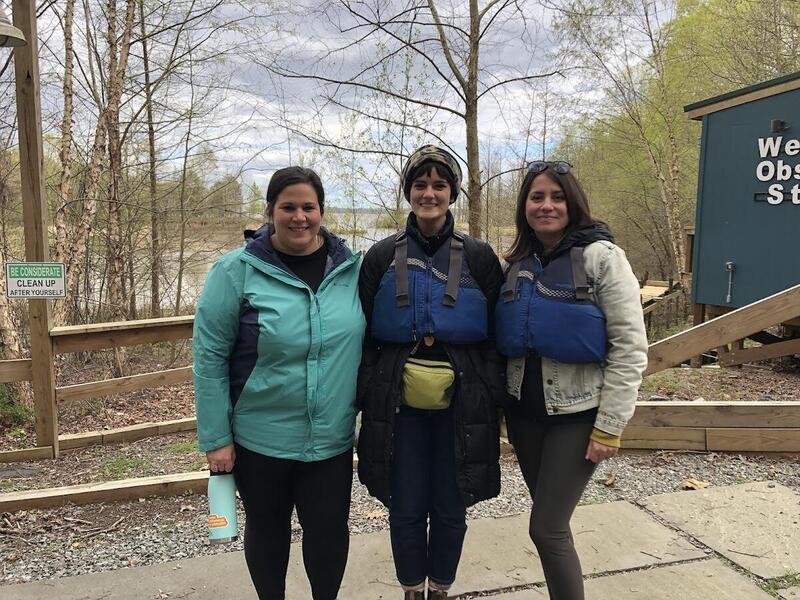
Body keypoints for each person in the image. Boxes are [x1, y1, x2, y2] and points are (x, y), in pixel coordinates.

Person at [192, 166, 365, 600]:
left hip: (331, 438)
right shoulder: (235, 271)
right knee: (267, 531)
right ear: (270, 211)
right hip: (260, 439)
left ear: (322, 211)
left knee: (328, 534)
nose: (299, 217)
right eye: (288, 207)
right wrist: (216, 438)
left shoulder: (351, 271)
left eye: (309, 207)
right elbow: (209, 357)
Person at [357, 145, 507, 600]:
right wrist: (366, 393)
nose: (429, 193)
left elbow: (497, 336)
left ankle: (440, 586)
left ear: (452, 192)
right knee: (404, 506)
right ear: (408, 192)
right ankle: (410, 588)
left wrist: (492, 394)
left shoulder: (480, 258)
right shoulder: (381, 257)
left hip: (460, 405)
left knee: (450, 503)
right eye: (420, 185)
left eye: (439, 185)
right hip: (397, 404)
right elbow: (362, 334)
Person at [495, 160, 648, 600]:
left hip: (577, 416)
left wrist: (611, 426)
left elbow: (630, 348)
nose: (546, 205)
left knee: (546, 528)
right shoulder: (518, 263)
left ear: (573, 202)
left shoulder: (604, 259)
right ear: (524, 206)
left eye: (556, 197)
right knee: (552, 525)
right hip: (525, 417)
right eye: (536, 197)